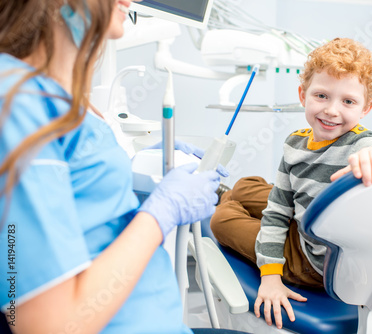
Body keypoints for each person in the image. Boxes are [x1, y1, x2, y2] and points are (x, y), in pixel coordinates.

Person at [0, 1, 247, 333]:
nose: (129, 1)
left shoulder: (47, 91)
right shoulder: (17, 99)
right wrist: (162, 213)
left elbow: (69, 194)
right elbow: (49, 326)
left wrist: (129, 166)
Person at [210, 37, 372, 329]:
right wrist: (280, 212)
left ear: (365, 108)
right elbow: (278, 209)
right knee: (247, 185)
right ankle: (234, 194)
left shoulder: (363, 147)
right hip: (301, 215)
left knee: (221, 220)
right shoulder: (295, 144)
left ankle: (225, 200)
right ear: (302, 94)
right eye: (322, 96)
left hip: (311, 260)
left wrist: (270, 275)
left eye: (348, 101)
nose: (332, 110)